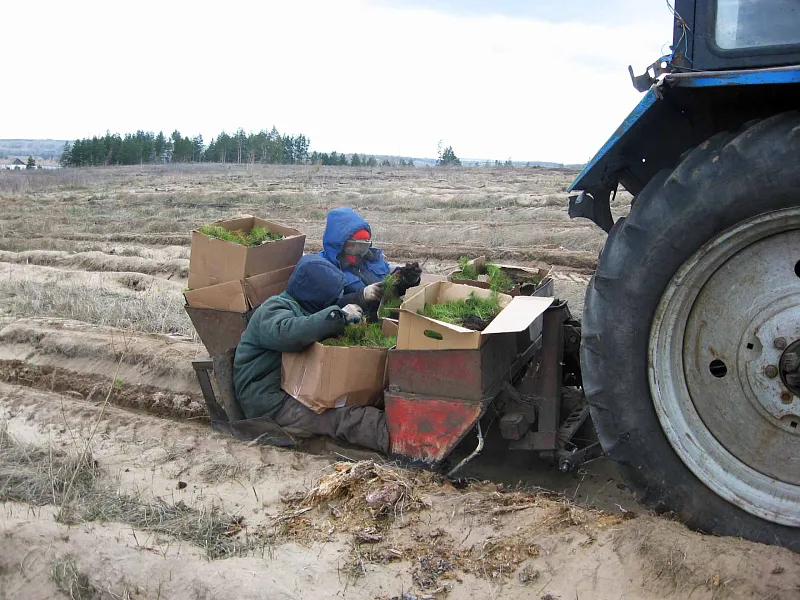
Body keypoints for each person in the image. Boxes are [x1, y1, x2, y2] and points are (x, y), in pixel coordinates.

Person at [233, 254, 390, 453]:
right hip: (270, 401)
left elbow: (327, 309)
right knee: (345, 415)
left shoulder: (303, 304)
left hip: (293, 387)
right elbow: (289, 333)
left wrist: (361, 297)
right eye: (328, 298)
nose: (332, 301)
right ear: (314, 295)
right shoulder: (273, 309)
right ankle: (401, 446)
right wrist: (339, 315)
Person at [319, 208, 422, 309]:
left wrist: (407, 279)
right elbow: (324, 308)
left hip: (384, 316)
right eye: (353, 245)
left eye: (363, 246)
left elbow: (391, 288)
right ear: (339, 243)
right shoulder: (323, 268)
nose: (359, 251)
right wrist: (361, 296)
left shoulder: (372, 260)